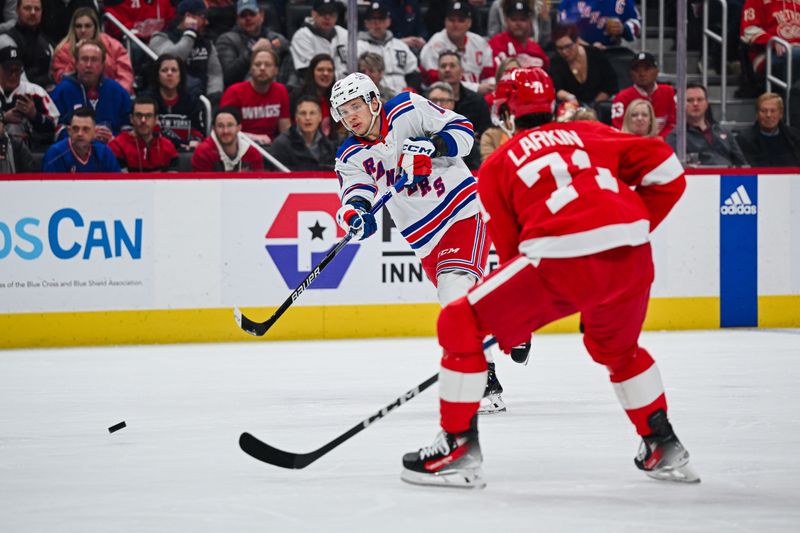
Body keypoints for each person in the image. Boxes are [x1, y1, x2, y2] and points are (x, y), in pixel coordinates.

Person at [400, 67, 698, 488]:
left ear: (505, 111)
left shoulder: (498, 163)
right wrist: (628, 224)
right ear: (552, 107)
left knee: (458, 321)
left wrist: (513, 326)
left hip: (559, 258)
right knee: (617, 350)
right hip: (631, 253)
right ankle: (662, 445)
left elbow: (511, 256)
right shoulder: (590, 134)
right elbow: (669, 172)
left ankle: (457, 447)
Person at [331, 72, 529, 415]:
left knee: (454, 296)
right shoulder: (350, 156)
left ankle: (485, 379)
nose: (350, 116)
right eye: (342, 112)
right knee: (466, 300)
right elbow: (355, 194)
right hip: (423, 239)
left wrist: (436, 144)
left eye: (355, 107)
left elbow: (464, 133)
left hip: (460, 212)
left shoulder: (408, 109)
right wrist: (356, 215)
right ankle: (514, 322)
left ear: (374, 102)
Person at [50, 39, 131, 142]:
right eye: (84, 59)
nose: (88, 65)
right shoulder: (62, 90)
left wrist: (114, 140)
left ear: (102, 64)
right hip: (73, 153)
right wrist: (84, 136)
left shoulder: (116, 91)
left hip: (110, 152)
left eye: (94, 60)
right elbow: (53, 129)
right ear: (76, 63)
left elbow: (128, 129)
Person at [149, 0, 224, 102]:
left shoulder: (206, 43)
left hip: (203, 100)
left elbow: (215, 74)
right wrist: (190, 33)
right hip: (171, 100)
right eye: (203, 17)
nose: (207, 22)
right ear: (188, 16)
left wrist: (213, 96)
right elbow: (173, 58)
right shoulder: (160, 38)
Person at [51, 7, 135, 94]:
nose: (83, 30)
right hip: (76, 97)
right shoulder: (63, 51)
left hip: (112, 95)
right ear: (73, 28)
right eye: (78, 26)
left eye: (88, 26)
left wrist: (117, 95)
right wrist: (75, 57)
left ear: (95, 27)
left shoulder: (112, 45)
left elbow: (126, 75)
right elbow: (60, 80)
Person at [420, 1, 496, 94]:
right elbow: (440, 81)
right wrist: (476, 88)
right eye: (451, 20)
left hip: (477, 98)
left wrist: (490, 87)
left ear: (469, 23)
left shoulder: (480, 43)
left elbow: (490, 75)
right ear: (445, 21)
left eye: (461, 20)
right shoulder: (435, 45)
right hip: (441, 96)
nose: (455, 25)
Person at [220, 46, 290, 146]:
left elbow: (285, 129)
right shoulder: (234, 92)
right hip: (240, 146)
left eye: (268, 65)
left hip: (272, 148)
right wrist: (255, 138)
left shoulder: (281, 90)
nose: (262, 68)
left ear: (276, 70)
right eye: (257, 64)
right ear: (251, 69)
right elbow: (225, 131)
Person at [666, 83, 747, 167]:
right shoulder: (676, 136)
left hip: (727, 178)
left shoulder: (723, 131)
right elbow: (673, 168)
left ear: (706, 103)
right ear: (681, 105)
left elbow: (742, 164)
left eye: (700, 99)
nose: (695, 104)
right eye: (690, 100)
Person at [215, 0, 290, 87]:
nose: (248, 18)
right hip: (243, 92)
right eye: (243, 15)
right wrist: (252, 52)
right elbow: (229, 76)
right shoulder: (227, 40)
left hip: (276, 90)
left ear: (261, 15)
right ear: (237, 19)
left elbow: (288, 52)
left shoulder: (274, 37)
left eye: (252, 14)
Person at [0, 45, 59, 150]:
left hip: (30, 152)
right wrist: (4, 118)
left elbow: (54, 127)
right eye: (8, 70)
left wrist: (34, 115)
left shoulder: (36, 92)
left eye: (17, 70)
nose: (13, 75)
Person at [144, 54, 206, 152]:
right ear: (157, 75)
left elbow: (199, 132)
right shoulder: (147, 101)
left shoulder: (192, 101)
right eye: (164, 70)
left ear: (180, 76)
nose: (169, 74)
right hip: (156, 150)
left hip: (186, 152)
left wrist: (194, 141)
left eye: (174, 70)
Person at [357, 1, 421, 95]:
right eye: (372, 20)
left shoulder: (400, 45)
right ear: (366, 23)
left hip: (402, 96)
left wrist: (410, 88)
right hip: (373, 95)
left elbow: (414, 73)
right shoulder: (359, 46)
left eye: (381, 19)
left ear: (388, 22)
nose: (377, 23)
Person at [549, 24, 618, 108]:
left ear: (577, 42)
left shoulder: (595, 54)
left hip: (599, 107)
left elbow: (611, 85)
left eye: (568, 46)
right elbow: (556, 89)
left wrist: (593, 106)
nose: (564, 52)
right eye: (560, 48)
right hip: (571, 109)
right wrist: (569, 97)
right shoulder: (556, 62)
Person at [611, 52, 676, 138]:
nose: (642, 74)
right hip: (633, 145)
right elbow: (618, 128)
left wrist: (662, 137)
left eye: (647, 69)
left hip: (666, 143)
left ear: (656, 71)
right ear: (630, 74)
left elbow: (675, 123)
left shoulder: (669, 92)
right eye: (637, 70)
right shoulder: (622, 98)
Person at [109, 96, 178, 172]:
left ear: (156, 119)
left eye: (148, 116)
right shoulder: (117, 146)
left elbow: (172, 181)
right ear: (131, 118)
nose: (143, 120)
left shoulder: (167, 147)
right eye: (139, 115)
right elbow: (121, 181)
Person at [267, 94, 335, 171]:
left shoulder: (328, 146)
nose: (308, 118)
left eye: (312, 113)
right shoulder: (281, 144)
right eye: (303, 113)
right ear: (296, 117)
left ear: (320, 117)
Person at [42, 106, 121, 172]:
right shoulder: (55, 154)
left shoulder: (104, 153)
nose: (80, 134)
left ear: (94, 132)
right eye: (75, 129)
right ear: (69, 131)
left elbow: (117, 184)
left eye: (86, 129)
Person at [426, 81, 481, 170]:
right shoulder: (416, 129)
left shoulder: (463, 133)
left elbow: (474, 170)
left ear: (452, 104)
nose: (438, 105)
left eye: (444, 101)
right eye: (434, 100)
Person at [191, 106, 264, 171]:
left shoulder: (252, 153)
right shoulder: (203, 153)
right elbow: (202, 184)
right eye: (220, 126)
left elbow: (258, 184)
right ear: (214, 128)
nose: (225, 131)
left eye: (230, 125)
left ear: (239, 127)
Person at [0, 0, 53, 90]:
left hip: (47, 95)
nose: (33, 13)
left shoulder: (47, 44)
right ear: (17, 11)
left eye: (37, 9)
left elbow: (53, 76)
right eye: (27, 8)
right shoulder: (6, 41)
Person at [737, 92, 800, 167]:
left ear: (781, 114)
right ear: (757, 114)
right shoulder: (744, 139)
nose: (768, 115)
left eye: (773, 111)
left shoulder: (795, 137)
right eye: (763, 111)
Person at [289, 0, 348, 80]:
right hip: (314, 88)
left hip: (346, 87)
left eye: (331, 14)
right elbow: (307, 72)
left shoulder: (345, 34)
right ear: (313, 14)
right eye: (323, 13)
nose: (327, 17)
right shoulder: (302, 36)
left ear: (337, 16)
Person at [438, 50, 492, 137]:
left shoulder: (477, 101)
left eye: (452, 66)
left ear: (461, 71)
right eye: (443, 66)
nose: (447, 69)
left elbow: (487, 131)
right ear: (438, 72)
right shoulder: (428, 99)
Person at [488, 0, 549, 70]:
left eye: (522, 20)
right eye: (514, 20)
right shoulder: (495, 44)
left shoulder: (536, 49)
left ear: (530, 21)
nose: (518, 24)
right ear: (506, 20)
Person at [289, 53, 336, 139]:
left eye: (330, 70)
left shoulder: (336, 99)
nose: (326, 73)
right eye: (320, 70)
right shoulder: (298, 95)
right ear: (312, 72)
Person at [558, 0, 641, 48]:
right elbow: (563, 31)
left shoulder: (621, 1)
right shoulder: (570, 1)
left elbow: (636, 25)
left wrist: (623, 29)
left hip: (611, 52)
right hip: (578, 53)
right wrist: (590, 48)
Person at [103, 0, 175, 43]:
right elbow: (115, 23)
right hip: (133, 41)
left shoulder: (163, 2)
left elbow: (171, 20)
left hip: (158, 41)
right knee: (134, 47)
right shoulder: (121, 2)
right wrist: (139, 31)